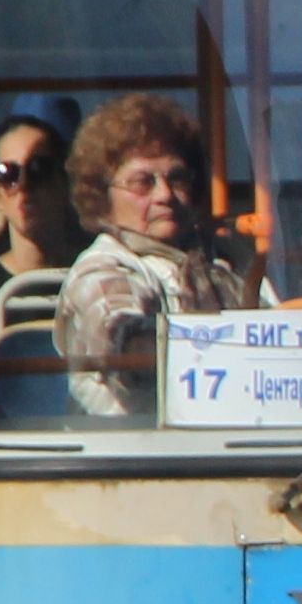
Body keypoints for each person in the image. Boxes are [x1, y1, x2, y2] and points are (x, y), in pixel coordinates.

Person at [54, 95, 254, 419]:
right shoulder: (102, 270)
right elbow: (124, 347)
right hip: (136, 456)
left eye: (177, 178)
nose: (164, 195)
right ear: (102, 196)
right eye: (143, 182)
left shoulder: (224, 266)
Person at [0, 98, 88, 333]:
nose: (23, 185)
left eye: (39, 169)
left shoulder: (95, 276)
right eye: (7, 173)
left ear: (64, 183)